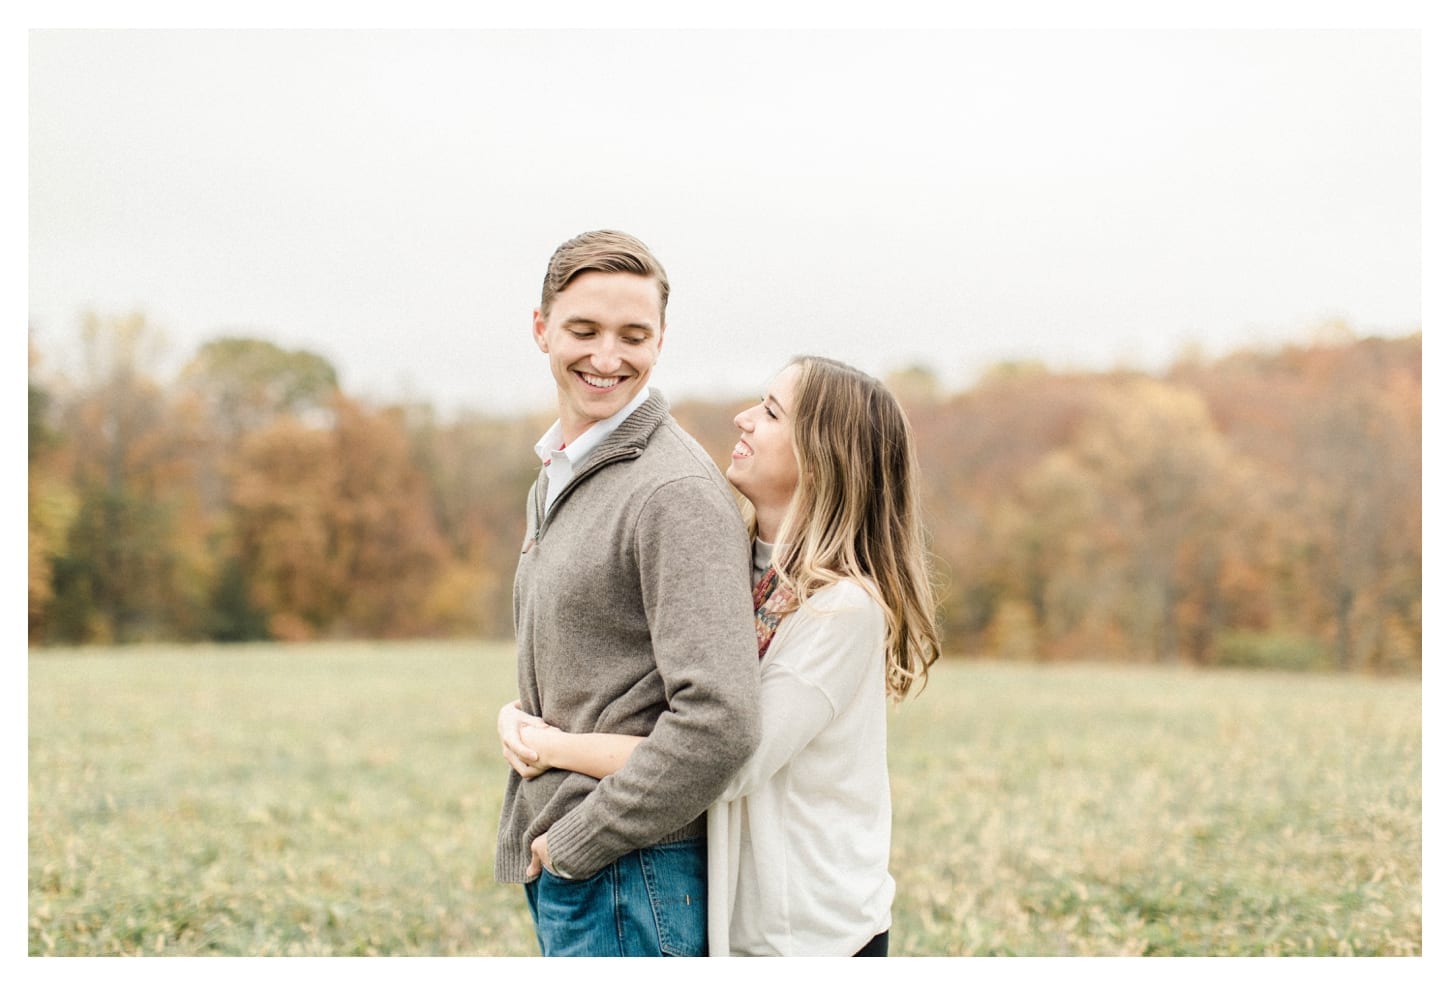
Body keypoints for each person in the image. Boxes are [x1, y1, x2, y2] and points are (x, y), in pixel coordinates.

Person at [500, 355, 941, 956]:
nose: (743, 419)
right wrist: (521, 717)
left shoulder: (840, 610)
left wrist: (553, 747)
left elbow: (724, 759)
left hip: (811, 936)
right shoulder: (738, 566)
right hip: (735, 923)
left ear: (823, 454)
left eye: (771, 412)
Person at [493, 230, 761, 957]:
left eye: (633, 335)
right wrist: (519, 714)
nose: (607, 357)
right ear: (541, 327)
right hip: (588, 876)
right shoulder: (561, 472)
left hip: (632, 872)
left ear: (661, 340)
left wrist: (579, 838)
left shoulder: (671, 491)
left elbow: (721, 719)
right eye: (584, 329)